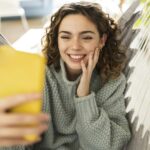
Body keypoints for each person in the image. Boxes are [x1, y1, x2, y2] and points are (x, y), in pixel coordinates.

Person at [0, 1, 131, 150]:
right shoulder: (38, 76)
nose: (75, 46)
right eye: (65, 37)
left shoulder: (112, 82)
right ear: (57, 39)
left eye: (86, 37)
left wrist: (84, 96)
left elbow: (107, 145)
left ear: (102, 40)